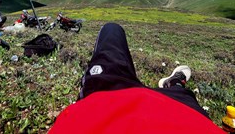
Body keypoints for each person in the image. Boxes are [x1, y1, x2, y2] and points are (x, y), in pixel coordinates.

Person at [49, 23, 225, 133]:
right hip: (186, 114)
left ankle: (175, 86)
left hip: (106, 100)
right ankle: (174, 84)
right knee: (184, 95)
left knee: (112, 29)